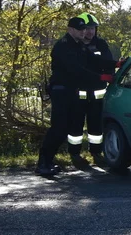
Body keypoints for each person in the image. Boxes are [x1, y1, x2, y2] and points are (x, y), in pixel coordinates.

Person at [36, 16, 93, 176]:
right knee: (58, 128)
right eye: (80, 29)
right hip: (61, 91)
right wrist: (99, 77)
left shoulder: (78, 46)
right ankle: (42, 163)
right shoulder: (63, 46)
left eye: (84, 29)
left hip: (70, 91)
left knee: (65, 128)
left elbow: (94, 61)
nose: (84, 32)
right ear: (70, 29)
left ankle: (48, 161)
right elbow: (76, 69)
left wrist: (115, 64)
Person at [71, 12, 117, 168]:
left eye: (93, 28)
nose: (90, 32)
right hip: (78, 94)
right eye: (87, 28)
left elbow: (107, 62)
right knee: (75, 126)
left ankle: (96, 153)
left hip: (97, 93)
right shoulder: (74, 45)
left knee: (96, 126)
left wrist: (111, 72)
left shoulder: (101, 44)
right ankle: (75, 154)